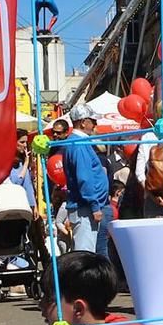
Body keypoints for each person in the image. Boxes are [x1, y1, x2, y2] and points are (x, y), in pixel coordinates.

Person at [58, 106, 111, 254]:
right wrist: (95, 206)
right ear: (83, 122)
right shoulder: (79, 145)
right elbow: (84, 178)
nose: (95, 125)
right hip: (85, 209)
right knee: (85, 255)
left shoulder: (76, 143)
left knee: (86, 253)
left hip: (85, 207)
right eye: (92, 121)